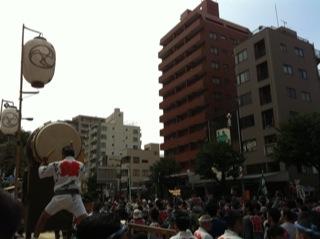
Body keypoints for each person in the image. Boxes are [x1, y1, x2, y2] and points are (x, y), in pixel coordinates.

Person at [33, 145, 87, 238]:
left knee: (43, 218)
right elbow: (83, 178)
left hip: (59, 196)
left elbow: (41, 173)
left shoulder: (56, 164)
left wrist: (43, 163)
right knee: (85, 222)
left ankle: (35, 237)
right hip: (75, 197)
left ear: (63, 155)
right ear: (74, 155)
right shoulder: (81, 165)